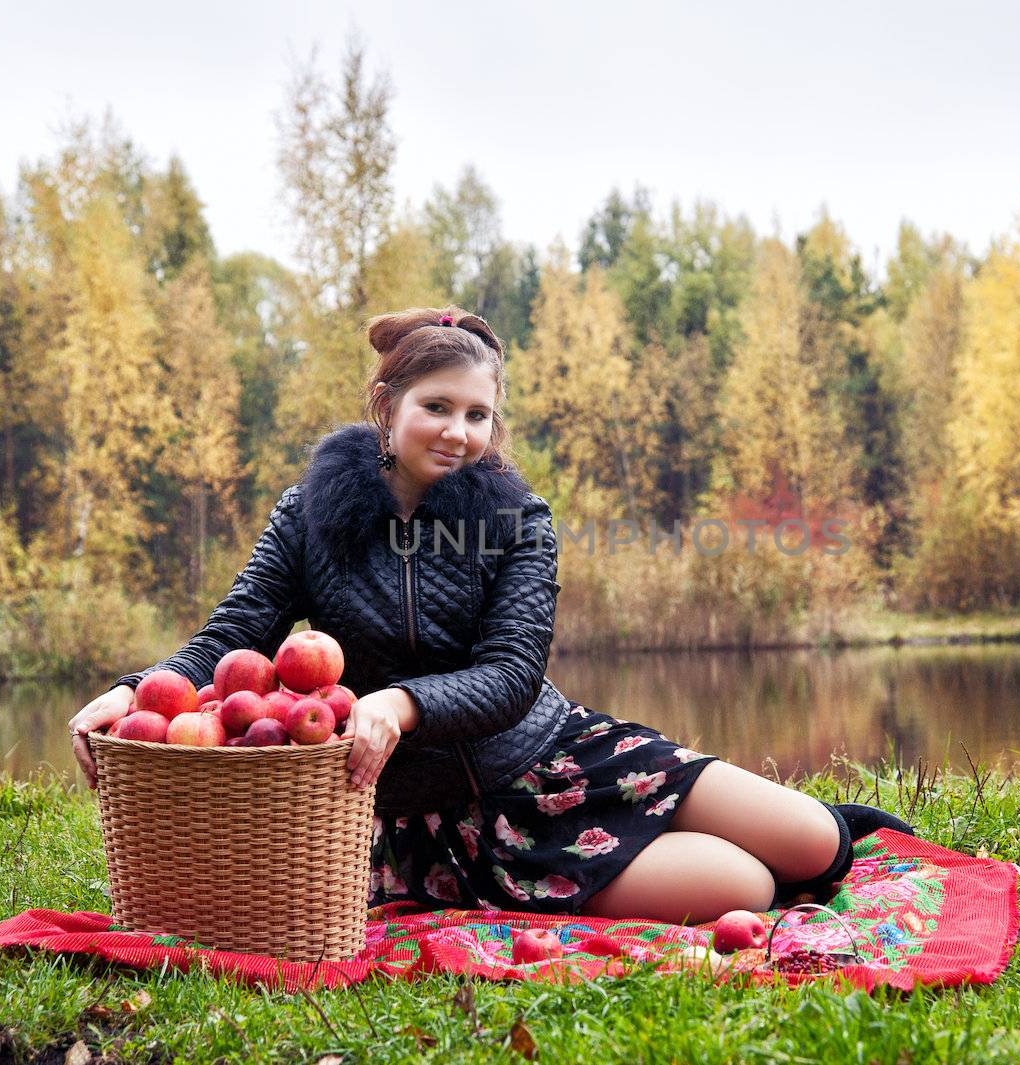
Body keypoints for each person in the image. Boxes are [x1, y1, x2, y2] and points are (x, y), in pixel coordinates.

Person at [68, 307, 911, 924]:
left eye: (478, 414)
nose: (459, 432)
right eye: (436, 406)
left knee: (813, 841)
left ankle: (676, 828)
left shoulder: (518, 518)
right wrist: (137, 689)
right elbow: (235, 632)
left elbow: (512, 673)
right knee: (746, 886)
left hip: (552, 747)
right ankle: (601, 872)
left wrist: (400, 702)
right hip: (444, 817)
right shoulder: (307, 515)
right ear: (386, 404)